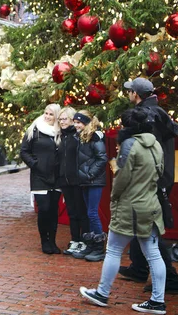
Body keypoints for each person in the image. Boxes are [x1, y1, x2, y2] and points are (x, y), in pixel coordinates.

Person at [80, 107, 167, 315]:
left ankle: (102, 293)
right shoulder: (156, 144)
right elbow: (161, 171)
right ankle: (158, 300)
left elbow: (121, 178)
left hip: (129, 206)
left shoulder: (130, 144)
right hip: (151, 205)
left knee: (114, 250)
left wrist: (114, 197)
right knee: (154, 254)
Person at [119, 78, 178, 294]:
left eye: (130, 92)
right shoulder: (156, 112)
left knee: (150, 231)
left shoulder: (149, 115)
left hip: (153, 180)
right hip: (159, 177)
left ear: (136, 94)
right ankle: (138, 267)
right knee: (142, 226)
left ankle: (171, 280)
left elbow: (148, 150)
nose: (128, 94)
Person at [20, 104, 61, 254]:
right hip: (39, 176)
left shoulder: (60, 132)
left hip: (56, 177)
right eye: (46, 113)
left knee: (53, 210)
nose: (47, 116)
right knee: (44, 209)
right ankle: (44, 241)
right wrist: (34, 164)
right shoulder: (34, 130)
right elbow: (24, 151)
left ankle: (53, 241)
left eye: (51, 114)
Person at [71, 110, 108, 262]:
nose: (76, 125)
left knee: (92, 212)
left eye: (78, 122)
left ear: (86, 123)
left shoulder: (95, 137)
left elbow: (102, 158)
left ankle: (99, 247)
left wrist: (90, 174)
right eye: (75, 122)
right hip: (86, 180)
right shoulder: (81, 138)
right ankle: (92, 244)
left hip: (93, 180)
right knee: (88, 212)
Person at [57, 106, 89, 255]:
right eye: (60, 119)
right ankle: (74, 239)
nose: (62, 122)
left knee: (81, 211)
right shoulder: (61, 137)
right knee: (71, 212)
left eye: (65, 119)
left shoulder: (77, 137)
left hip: (77, 180)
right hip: (64, 180)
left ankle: (84, 241)